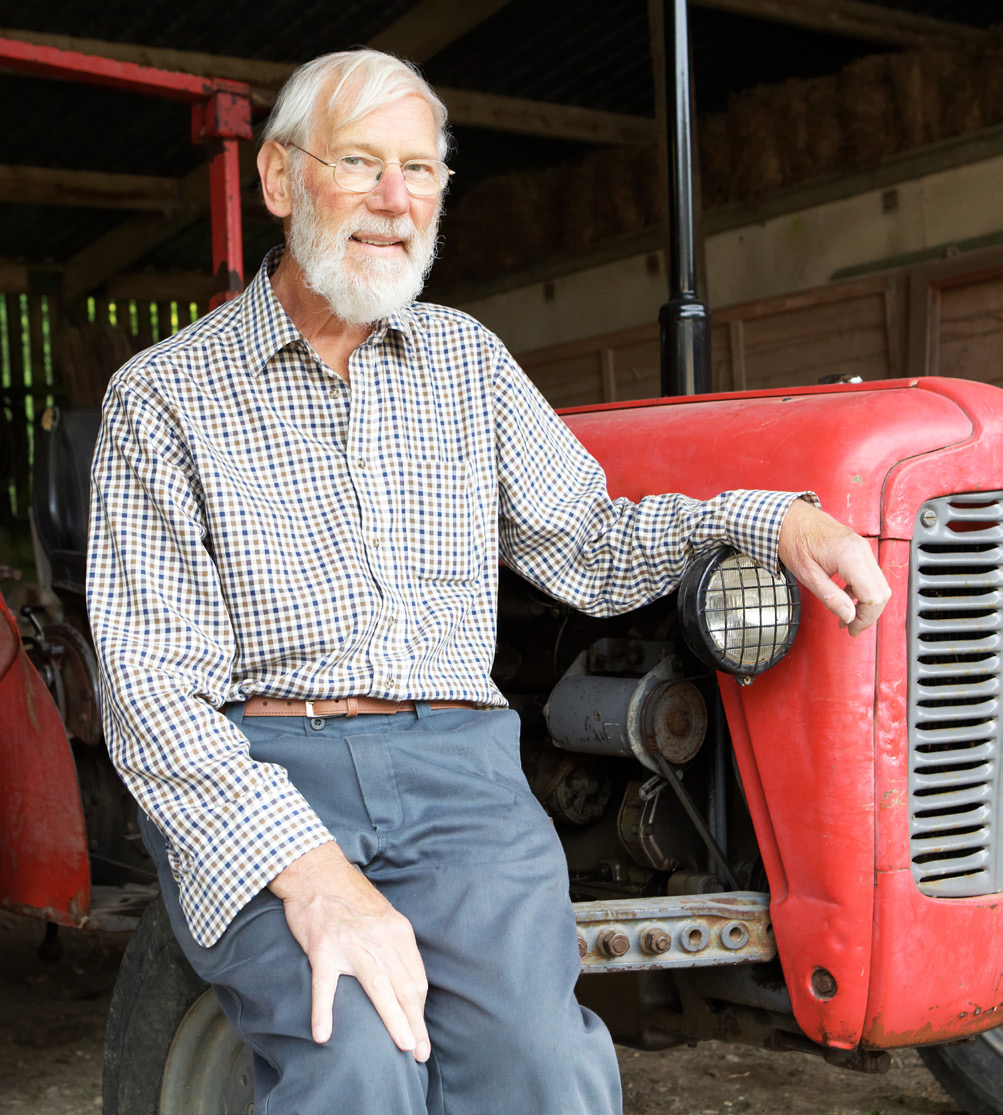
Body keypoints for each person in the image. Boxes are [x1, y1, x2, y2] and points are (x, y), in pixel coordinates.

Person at [87, 48, 891, 1115]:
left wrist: (768, 515)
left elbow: (590, 543)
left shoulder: (467, 362)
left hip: (459, 776)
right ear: (279, 182)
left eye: (419, 171)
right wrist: (313, 876)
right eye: (361, 161)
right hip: (264, 763)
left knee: (542, 1072)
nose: (393, 199)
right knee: (355, 1063)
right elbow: (150, 689)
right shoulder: (164, 397)